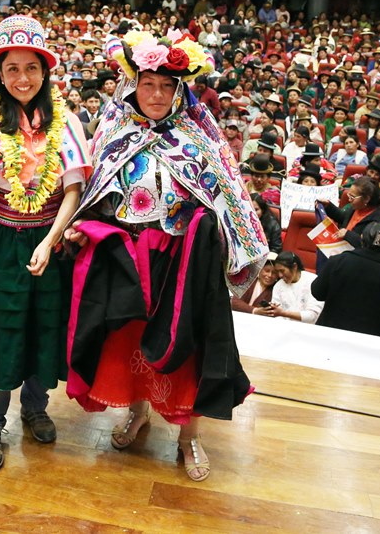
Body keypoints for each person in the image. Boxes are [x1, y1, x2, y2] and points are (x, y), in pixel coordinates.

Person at [62, 28, 264, 483]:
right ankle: (137, 414)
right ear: (133, 85)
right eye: (148, 84)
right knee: (132, 339)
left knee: (186, 346)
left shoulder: (199, 137)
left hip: (182, 258)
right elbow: (96, 190)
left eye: (166, 86)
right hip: (130, 255)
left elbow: (226, 195)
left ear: (180, 90)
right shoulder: (114, 129)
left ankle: (189, 437)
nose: (156, 94)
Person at [0, 15, 91, 472]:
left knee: (44, 323)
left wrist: (49, 241)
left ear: (45, 72)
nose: (22, 78)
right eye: (12, 69)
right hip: (3, 242)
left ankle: (34, 405)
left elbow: (71, 189)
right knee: (0, 327)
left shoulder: (66, 124)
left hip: (50, 240)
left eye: (31, 68)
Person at [312, 222, 380, 340]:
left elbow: (317, 292)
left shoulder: (338, 261)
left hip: (330, 335)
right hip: (369, 344)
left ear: (361, 238)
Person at [320, 176, 380, 248]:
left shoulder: (379, 219)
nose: (349, 200)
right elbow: (343, 217)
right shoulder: (356, 207)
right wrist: (328, 206)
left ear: (366, 199)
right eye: (349, 195)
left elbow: (371, 246)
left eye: (352, 197)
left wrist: (348, 235)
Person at [260, 252, 323, 323]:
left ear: (294, 266)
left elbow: (313, 316)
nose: (280, 275)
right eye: (278, 272)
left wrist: (283, 313)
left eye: (282, 271)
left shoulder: (313, 281)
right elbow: (277, 316)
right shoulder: (278, 286)